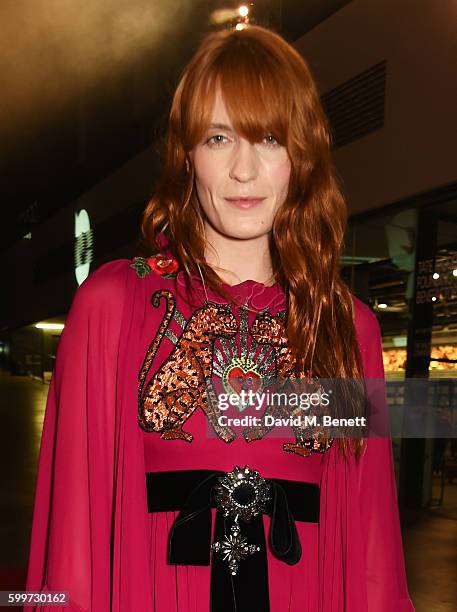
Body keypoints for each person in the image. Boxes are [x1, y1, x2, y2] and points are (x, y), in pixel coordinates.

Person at [25, 25, 414, 612]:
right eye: (217, 138)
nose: (243, 170)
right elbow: (71, 539)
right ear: (187, 155)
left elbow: (372, 549)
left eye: (270, 139)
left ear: (300, 156)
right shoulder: (113, 306)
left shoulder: (347, 328)